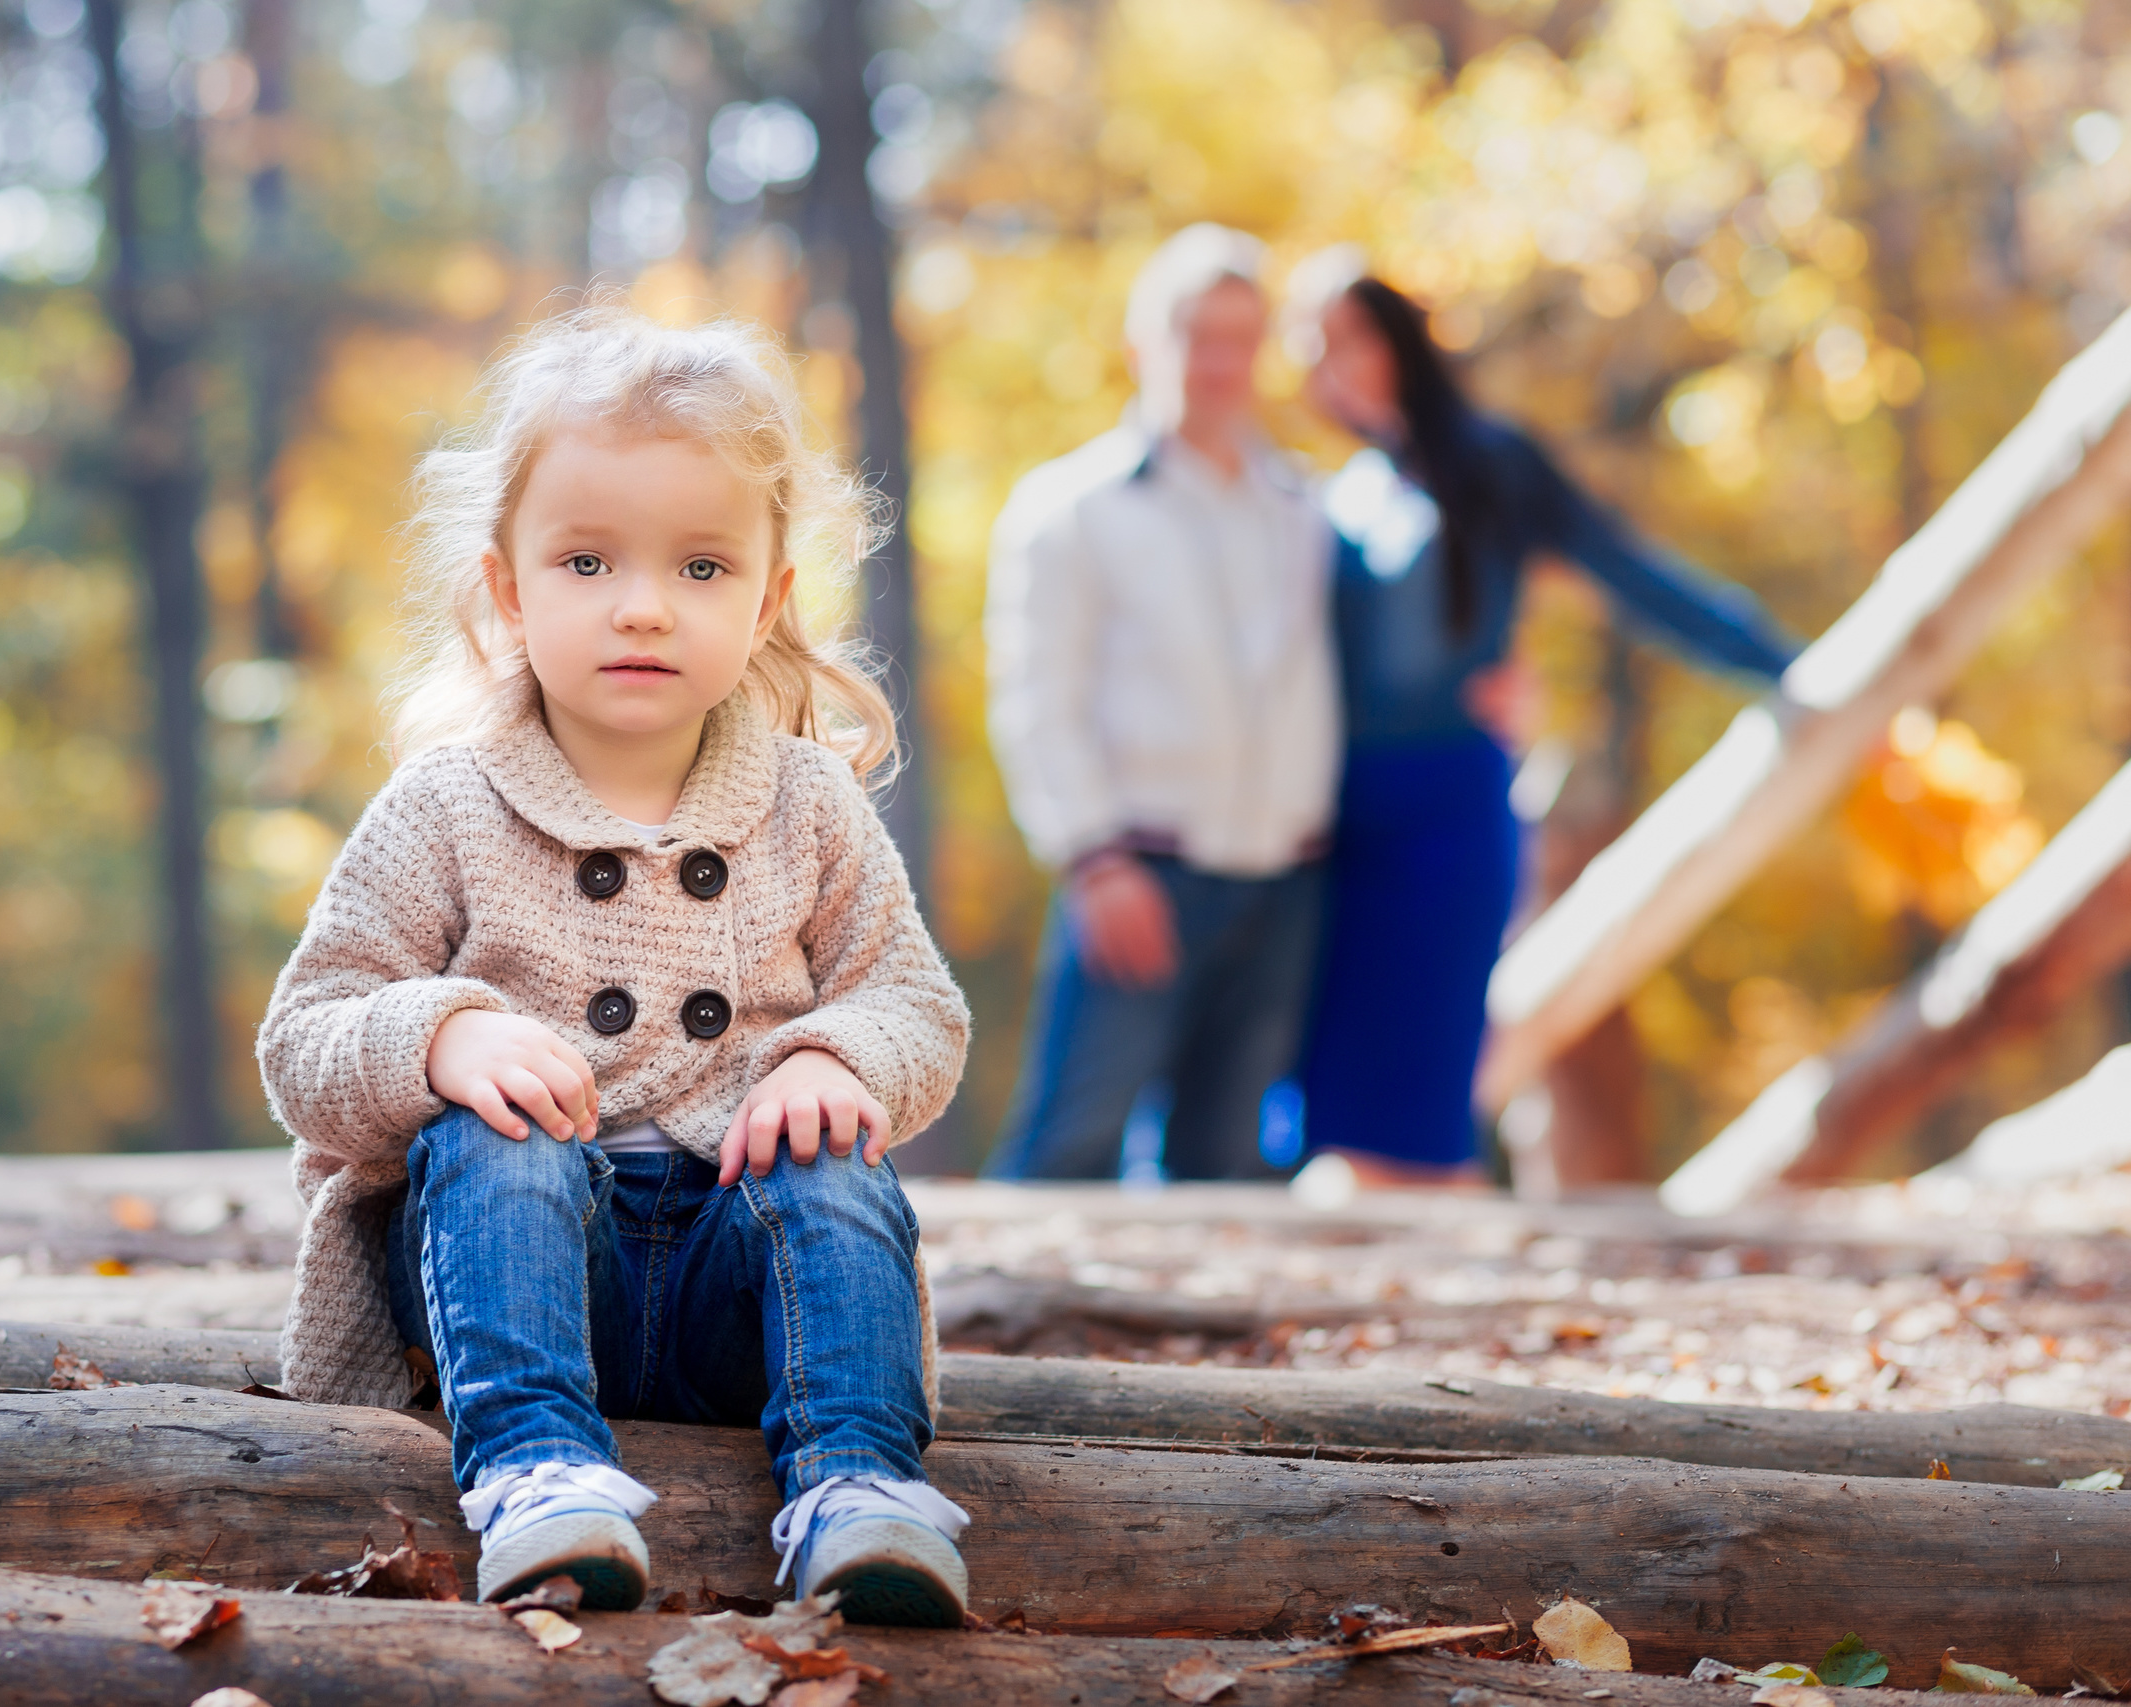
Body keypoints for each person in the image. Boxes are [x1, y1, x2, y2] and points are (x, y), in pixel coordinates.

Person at [256, 307, 975, 1625]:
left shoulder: (808, 803)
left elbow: (915, 1003)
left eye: (700, 568)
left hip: (734, 1280)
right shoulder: (448, 804)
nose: (642, 604)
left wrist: (833, 1052)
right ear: (511, 587)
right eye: (588, 560)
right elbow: (306, 1034)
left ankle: (857, 1481)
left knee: (834, 1168)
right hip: (523, 1276)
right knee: (494, 1137)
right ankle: (536, 1468)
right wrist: (441, 1039)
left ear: (767, 596)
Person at [1296, 270, 1801, 1181]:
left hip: (1449, 805)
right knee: (1337, 1093)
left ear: (1402, 339)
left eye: (1349, 337)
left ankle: (1434, 1293)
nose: (1330, 365)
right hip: (1339, 820)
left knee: (1428, 1087)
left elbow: (1631, 572)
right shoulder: (1337, 495)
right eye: (1312, 348)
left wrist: (1780, 661)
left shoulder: (1492, 462)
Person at [981, 224, 1341, 1182]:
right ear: (1144, 346)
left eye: (1240, 337)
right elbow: (1034, 703)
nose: (1219, 361)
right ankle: (986, 1333)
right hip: (1141, 873)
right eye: (1196, 334)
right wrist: (1094, 860)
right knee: (1072, 1143)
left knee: (1228, 1161)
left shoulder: (1307, 510)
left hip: (1287, 880)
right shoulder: (1070, 510)